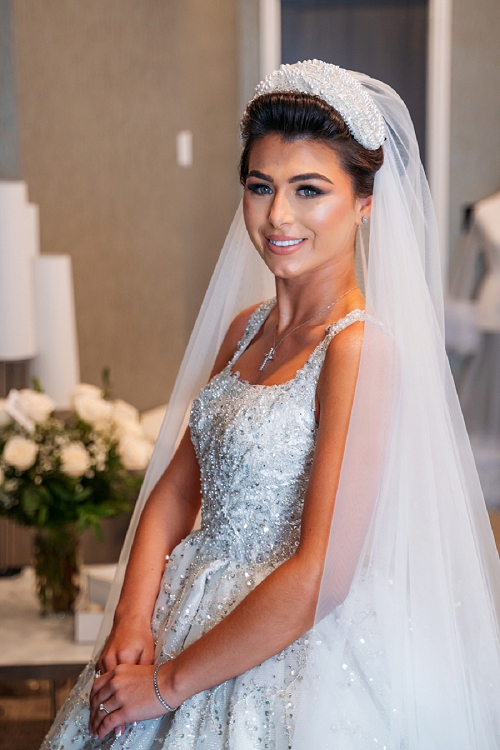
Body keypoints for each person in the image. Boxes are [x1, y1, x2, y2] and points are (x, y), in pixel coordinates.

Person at [42, 61, 500, 750]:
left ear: (365, 201)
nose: (279, 216)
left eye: (310, 190)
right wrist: (134, 622)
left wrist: (165, 683)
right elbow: (173, 495)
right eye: (261, 187)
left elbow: (320, 577)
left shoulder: (359, 352)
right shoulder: (246, 329)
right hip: (181, 610)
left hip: (291, 650)